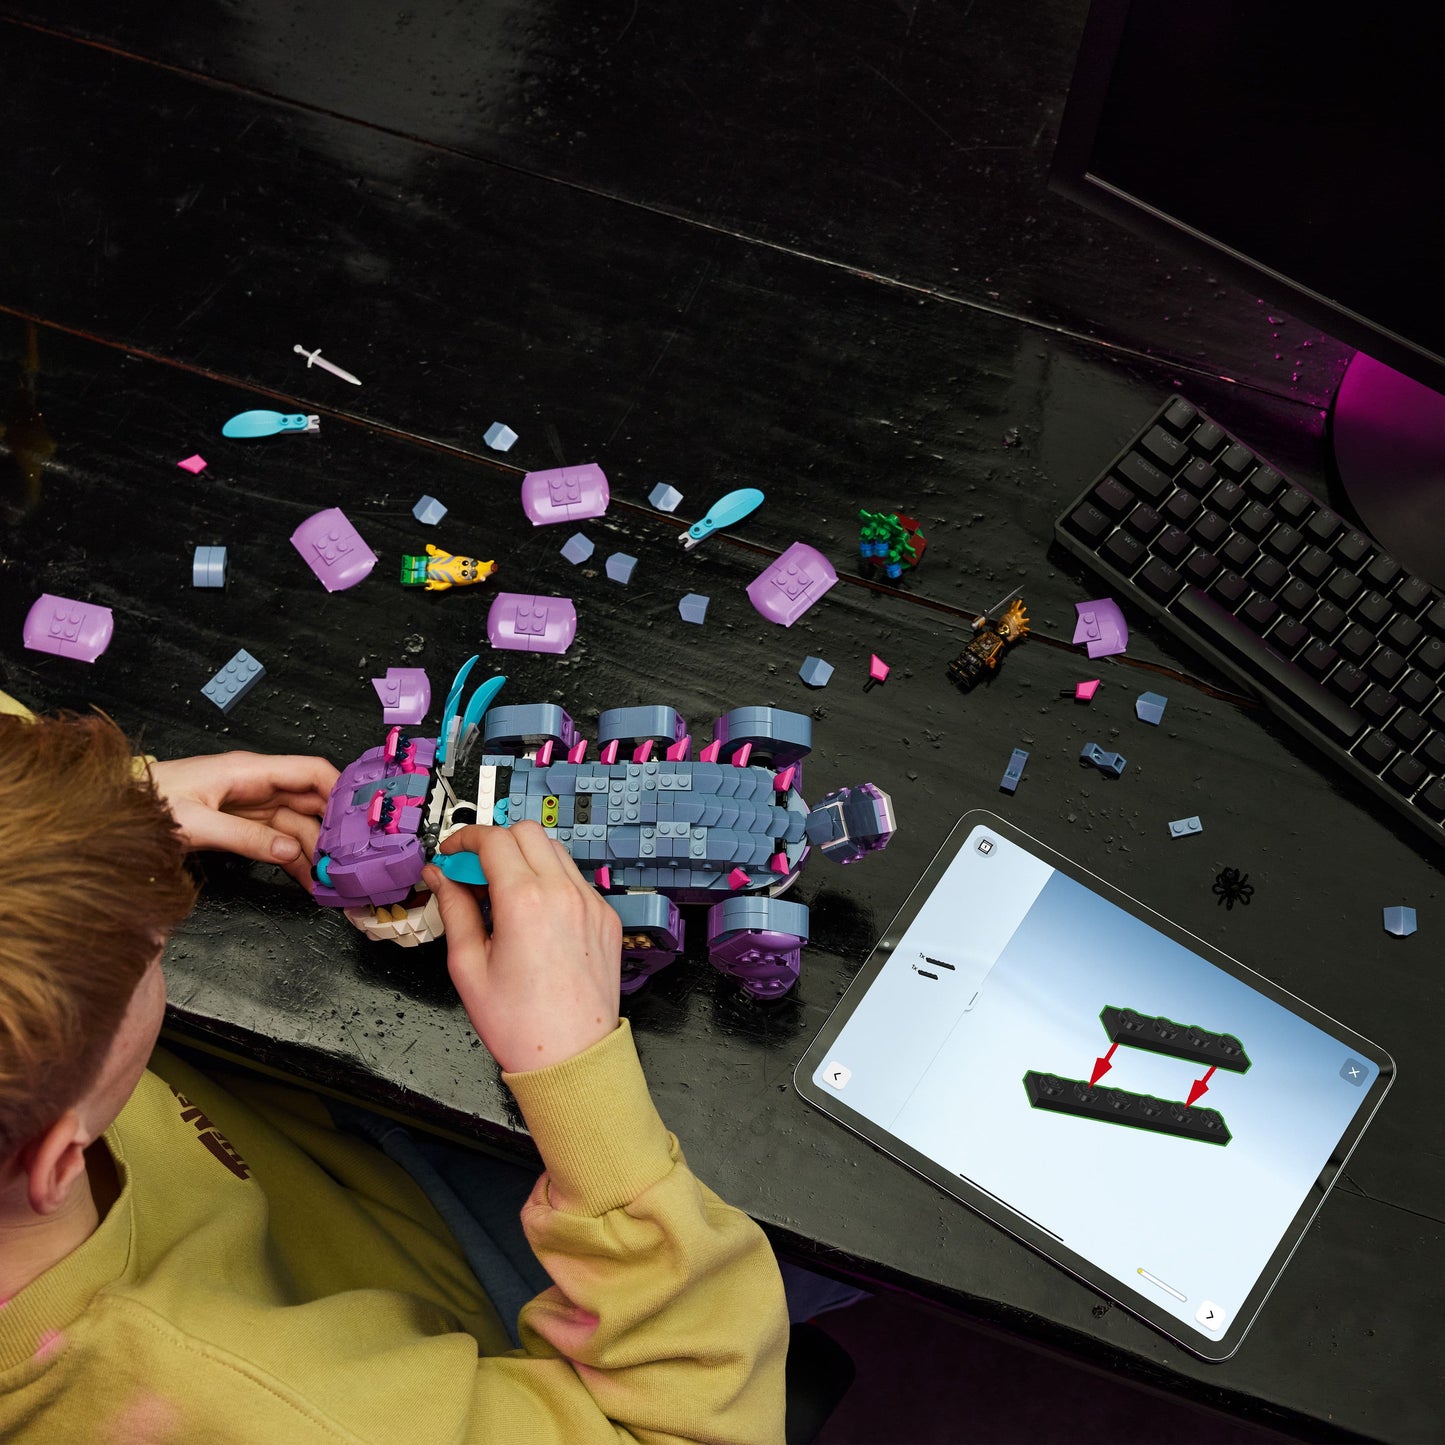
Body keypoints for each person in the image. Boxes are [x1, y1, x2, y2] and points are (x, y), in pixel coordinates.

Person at [0, 700, 788, 1443]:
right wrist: (579, 1078)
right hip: (447, 1313)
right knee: (792, 1258)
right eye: (150, 950)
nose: (160, 935)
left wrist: (94, 814)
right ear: (56, 1160)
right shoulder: (225, 1405)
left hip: (303, 1151)